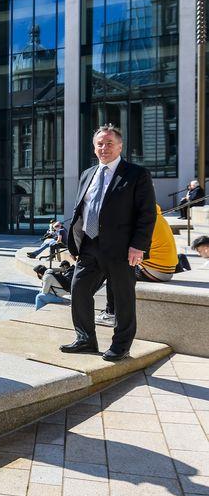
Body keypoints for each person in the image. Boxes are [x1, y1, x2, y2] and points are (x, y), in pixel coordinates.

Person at [61, 125, 155, 361]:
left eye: (109, 143)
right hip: (90, 246)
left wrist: (138, 245)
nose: (104, 148)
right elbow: (81, 210)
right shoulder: (87, 174)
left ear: (120, 146)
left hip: (122, 248)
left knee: (123, 298)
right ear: (94, 148)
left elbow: (146, 214)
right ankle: (85, 340)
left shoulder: (136, 174)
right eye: (99, 144)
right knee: (79, 289)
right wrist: (74, 243)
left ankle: (121, 345)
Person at [97, 204, 178, 326]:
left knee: (114, 272)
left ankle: (112, 314)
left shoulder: (145, 222)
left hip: (155, 270)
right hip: (166, 269)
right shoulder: (158, 218)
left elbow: (131, 249)